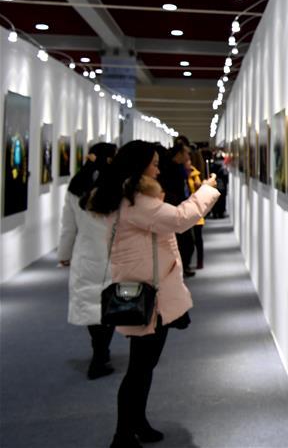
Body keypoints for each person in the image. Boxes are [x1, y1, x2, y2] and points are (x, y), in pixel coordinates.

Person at [87, 140, 219, 448]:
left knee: (143, 367)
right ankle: (123, 435)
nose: (159, 168)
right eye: (154, 163)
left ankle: (137, 424)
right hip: (149, 297)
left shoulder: (126, 198)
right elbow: (180, 219)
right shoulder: (138, 202)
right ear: (140, 167)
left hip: (145, 291)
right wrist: (207, 190)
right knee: (139, 369)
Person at [58, 142, 118, 380]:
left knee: (91, 304)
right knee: (111, 305)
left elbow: (68, 227)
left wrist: (64, 254)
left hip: (86, 254)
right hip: (114, 253)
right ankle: (102, 354)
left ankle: (100, 352)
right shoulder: (118, 187)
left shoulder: (76, 186)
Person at [156, 140, 195, 277]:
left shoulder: (178, 167)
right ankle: (181, 268)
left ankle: (183, 267)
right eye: (186, 153)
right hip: (174, 209)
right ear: (179, 153)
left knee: (185, 242)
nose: (189, 157)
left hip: (179, 207)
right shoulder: (170, 169)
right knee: (184, 242)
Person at [186, 150, 207, 269]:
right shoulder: (183, 175)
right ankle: (187, 263)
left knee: (198, 238)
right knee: (188, 240)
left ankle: (200, 261)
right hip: (186, 209)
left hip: (195, 209)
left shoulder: (195, 174)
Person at [208, 151, 229, 219]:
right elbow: (226, 177)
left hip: (214, 185)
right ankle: (220, 213)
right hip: (222, 185)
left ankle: (215, 213)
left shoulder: (212, 165)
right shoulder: (223, 167)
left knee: (214, 200)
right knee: (222, 200)